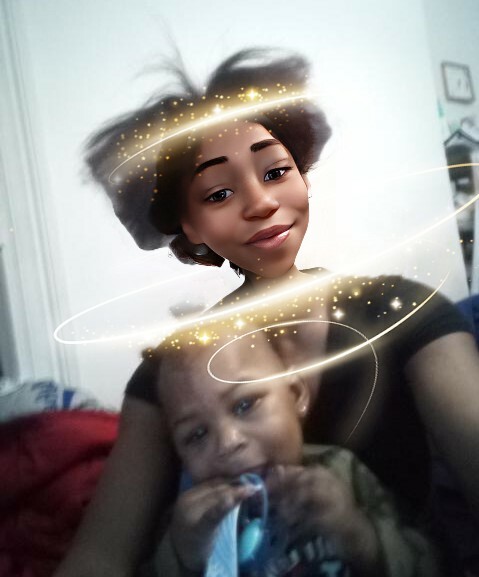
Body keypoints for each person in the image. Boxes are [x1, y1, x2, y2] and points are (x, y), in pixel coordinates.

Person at [55, 49, 479, 577]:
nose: (260, 203)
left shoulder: (409, 312)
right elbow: (100, 557)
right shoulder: (171, 369)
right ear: (190, 227)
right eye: (219, 193)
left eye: (276, 171)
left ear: (303, 176)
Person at [151, 327, 444, 576]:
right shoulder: (190, 522)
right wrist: (184, 557)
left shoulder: (342, 472)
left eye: (245, 404)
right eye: (197, 434)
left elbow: (428, 563)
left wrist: (357, 534)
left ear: (295, 394)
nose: (228, 442)